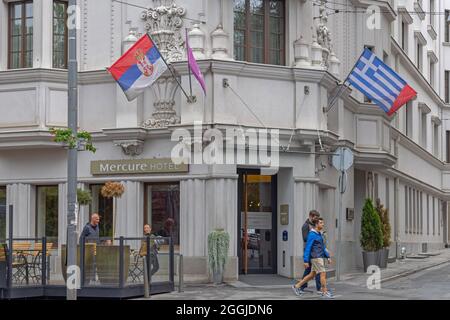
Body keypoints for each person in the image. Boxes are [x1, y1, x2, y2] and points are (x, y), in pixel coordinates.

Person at [293, 217, 333, 298]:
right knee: (323, 273)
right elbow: (308, 247)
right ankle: (324, 292)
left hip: (319, 257)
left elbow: (322, 246)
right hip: (316, 257)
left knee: (312, 275)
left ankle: (296, 286)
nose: (323, 224)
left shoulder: (319, 234)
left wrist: (328, 256)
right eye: (321, 223)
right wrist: (305, 260)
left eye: (322, 222)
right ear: (316, 224)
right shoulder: (312, 234)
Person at [299, 210, 321, 294]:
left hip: (315, 251)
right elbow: (305, 238)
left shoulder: (314, 225)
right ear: (311, 216)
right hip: (309, 251)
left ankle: (302, 286)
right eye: (316, 217)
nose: (317, 219)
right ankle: (318, 288)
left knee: (311, 270)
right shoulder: (305, 226)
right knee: (311, 270)